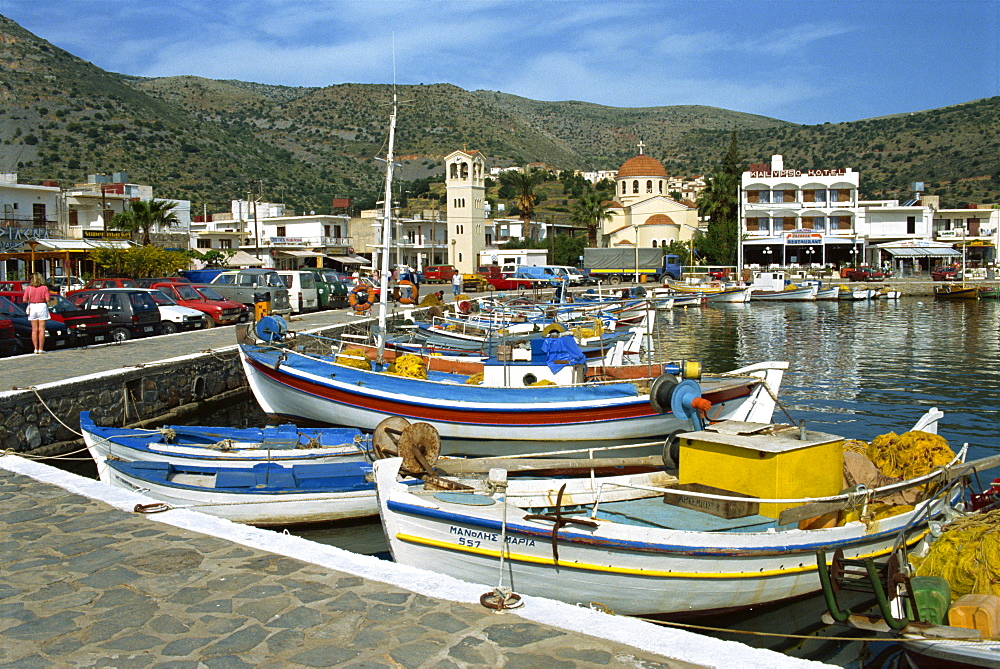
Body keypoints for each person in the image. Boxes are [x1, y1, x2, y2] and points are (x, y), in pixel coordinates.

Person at [21, 273, 51, 354]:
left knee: (34, 330)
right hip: (41, 306)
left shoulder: (29, 288)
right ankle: (41, 348)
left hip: (33, 306)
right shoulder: (44, 288)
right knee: (42, 329)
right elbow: (47, 299)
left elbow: (24, 300)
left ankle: (35, 348)